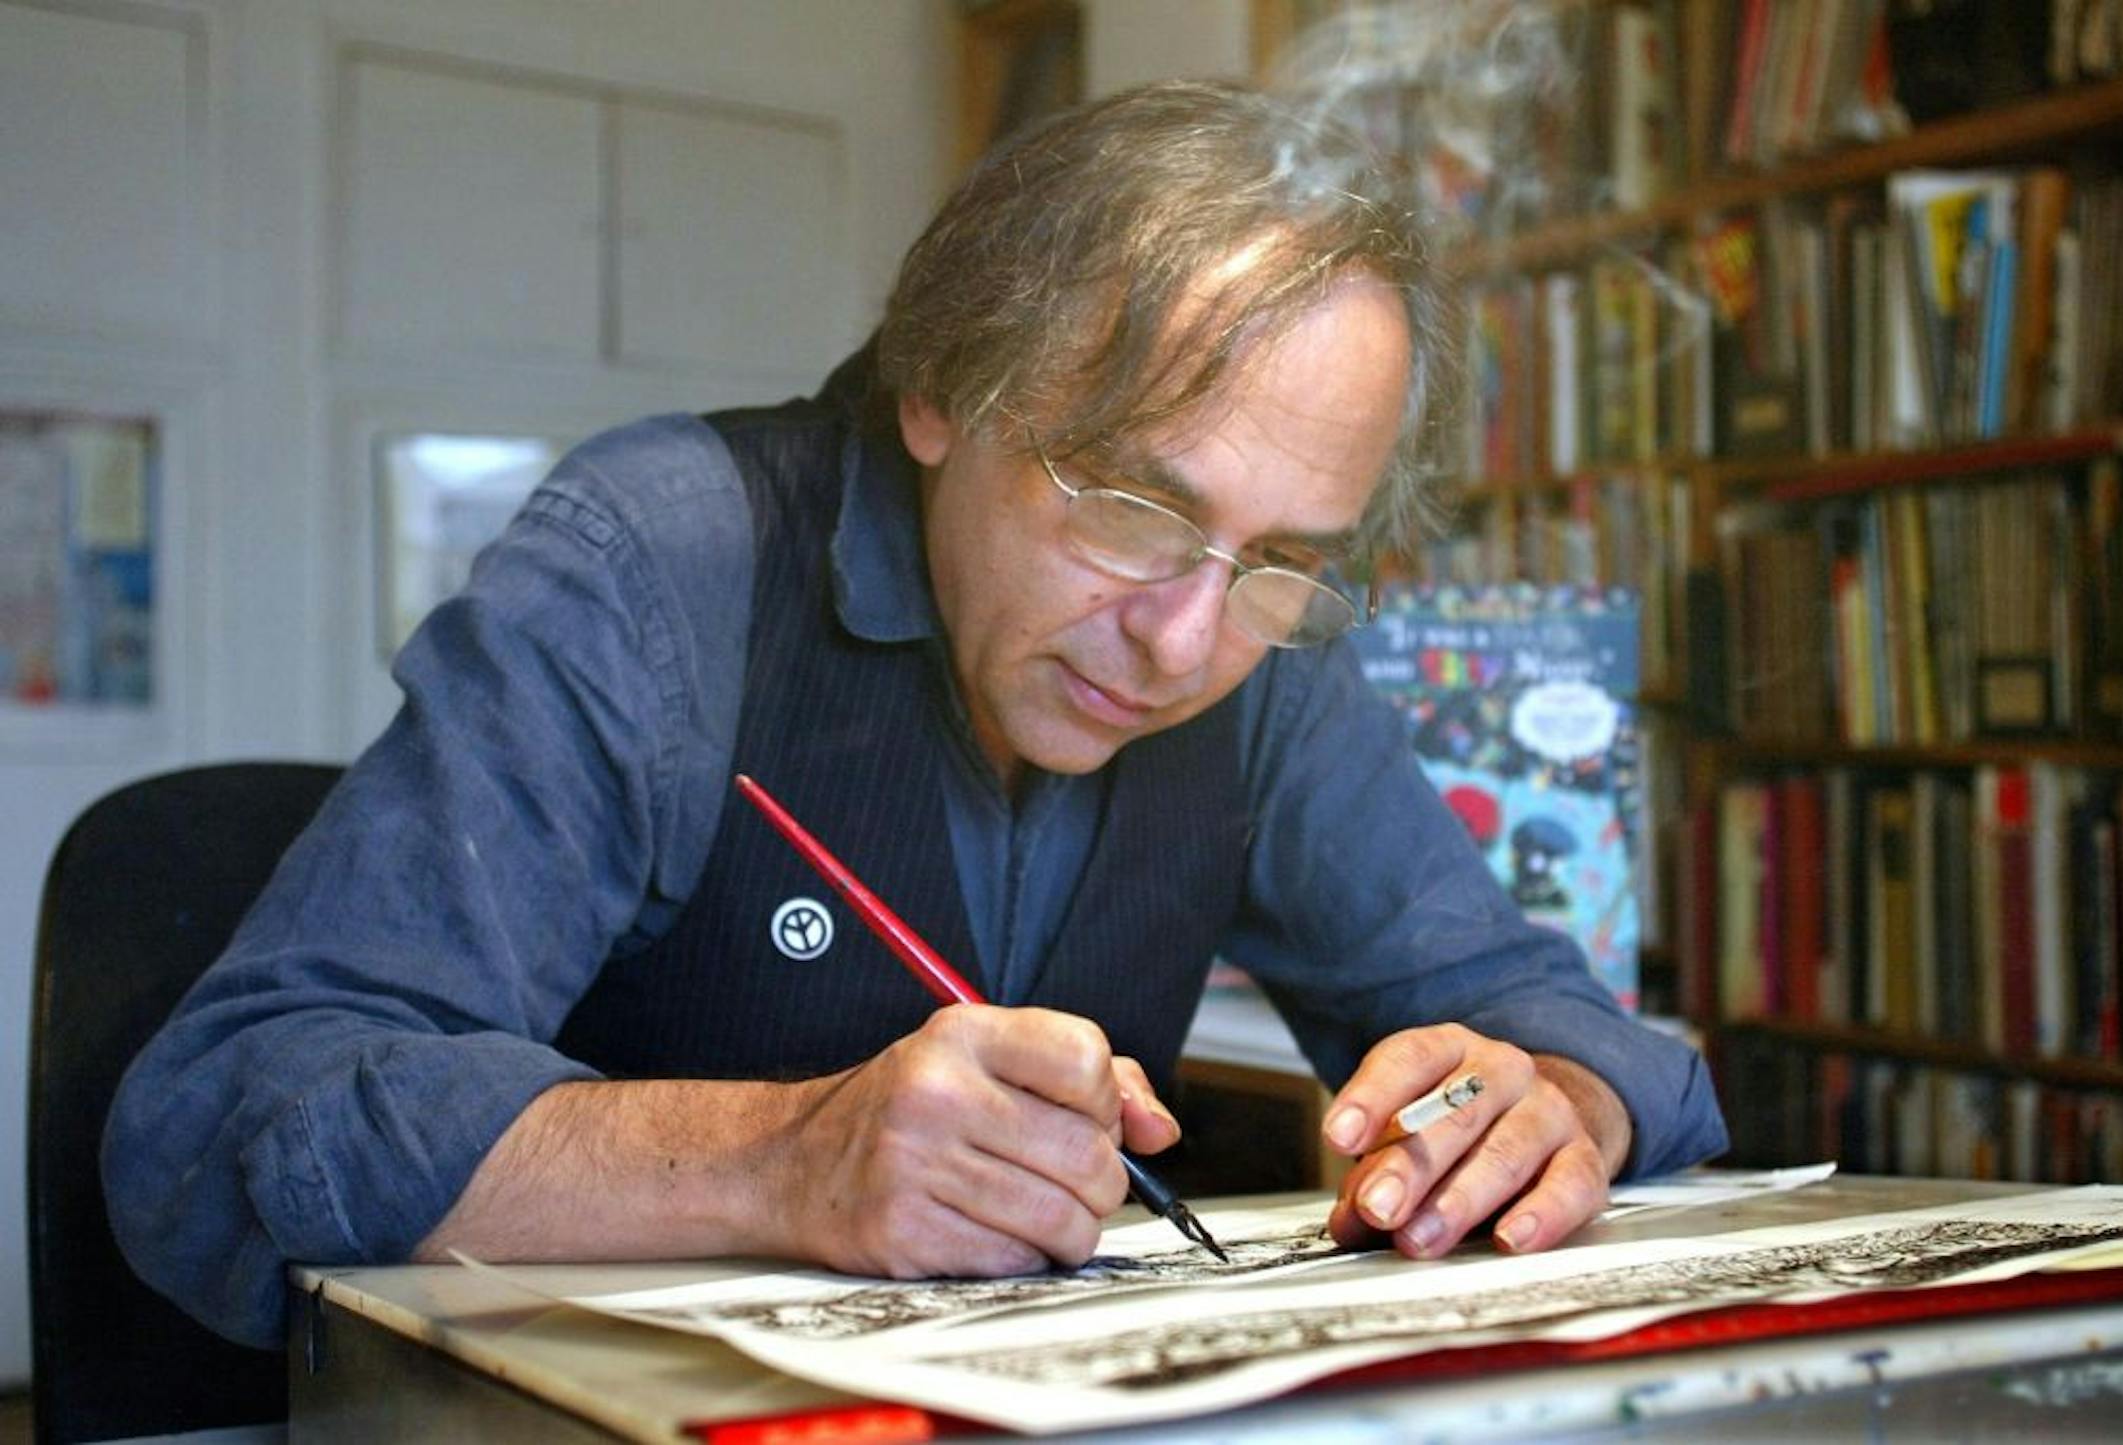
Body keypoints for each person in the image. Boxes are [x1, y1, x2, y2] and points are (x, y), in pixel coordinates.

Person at [105, 80, 1727, 1350]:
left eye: (1284, 556)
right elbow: (227, 1116)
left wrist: (1543, 1107)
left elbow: (1588, 1038)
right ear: (943, 383)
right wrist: (777, 1158)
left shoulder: (1264, 649)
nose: (1182, 639)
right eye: (1132, 508)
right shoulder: (665, 564)